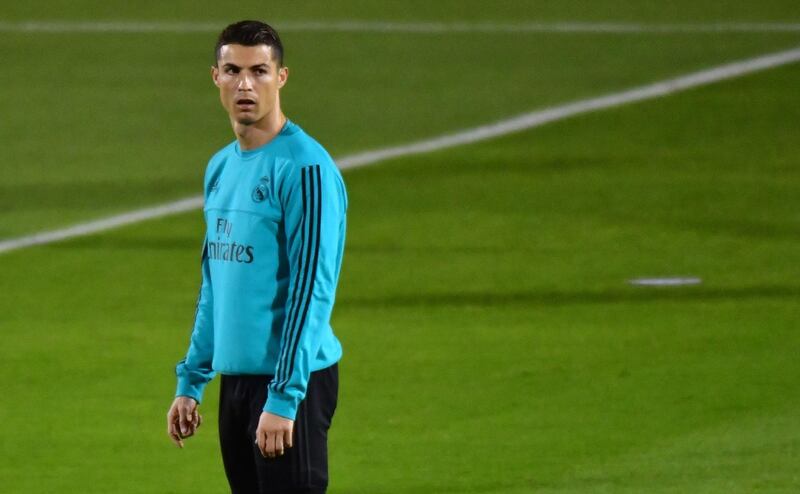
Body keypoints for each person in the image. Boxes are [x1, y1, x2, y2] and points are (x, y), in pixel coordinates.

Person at [165, 20, 347, 494]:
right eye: (233, 70)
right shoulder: (221, 166)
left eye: (259, 71)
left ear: (281, 78)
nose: (245, 84)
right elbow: (215, 284)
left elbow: (311, 290)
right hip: (238, 382)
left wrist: (284, 397)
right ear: (216, 77)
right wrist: (191, 379)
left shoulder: (305, 169)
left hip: (291, 381)